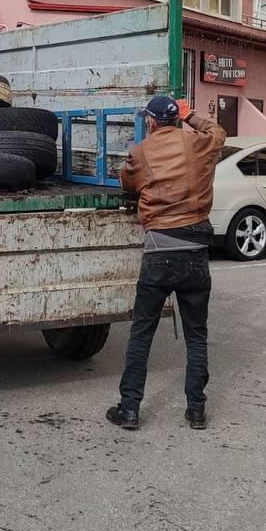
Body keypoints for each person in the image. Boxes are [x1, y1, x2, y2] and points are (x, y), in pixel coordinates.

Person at [107, 95, 226, 433]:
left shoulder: (141, 152)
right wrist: (191, 116)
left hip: (159, 253)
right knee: (197, 335)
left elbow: (127, 184)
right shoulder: (200, 143)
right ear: (177, 118)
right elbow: (219, 131)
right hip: (195, 254)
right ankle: (196, 410)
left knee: (141, 334)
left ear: (151, 121)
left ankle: (129, 409)